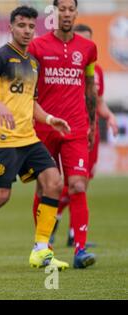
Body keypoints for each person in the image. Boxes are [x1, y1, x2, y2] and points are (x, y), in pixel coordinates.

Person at [0, 6, 71, 273]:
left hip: (28, 137)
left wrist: (50, 119)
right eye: (21, 26)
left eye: (31, 26)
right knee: (1, 196)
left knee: (53, 182)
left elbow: (31, 103)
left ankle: (41, 250)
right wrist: (1, 106)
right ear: (11, 27)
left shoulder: (33, 63)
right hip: (3, 140)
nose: (27, 31)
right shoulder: (0, 58)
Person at [28, 0, 98, 268]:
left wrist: (91, 124)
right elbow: (28, 87)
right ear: (54, 13)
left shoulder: (88, 48)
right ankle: (44, 246)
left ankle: (80, 250)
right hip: (45, 127)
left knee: (78, 185)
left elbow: (89, 87)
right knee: (46, 186)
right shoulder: (37, 46)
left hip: (76, 127)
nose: (66, 13)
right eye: (62, 9)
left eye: (71, 9)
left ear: (76, 13)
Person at [49, 23, 119, 247]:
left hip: (91, 130)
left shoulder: (96, 71)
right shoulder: (59, 66)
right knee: (60, 184)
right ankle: (51, 227)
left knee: (82, 183)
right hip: (67, 129)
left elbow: (97, 100)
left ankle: (72, 235)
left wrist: (109, 116)